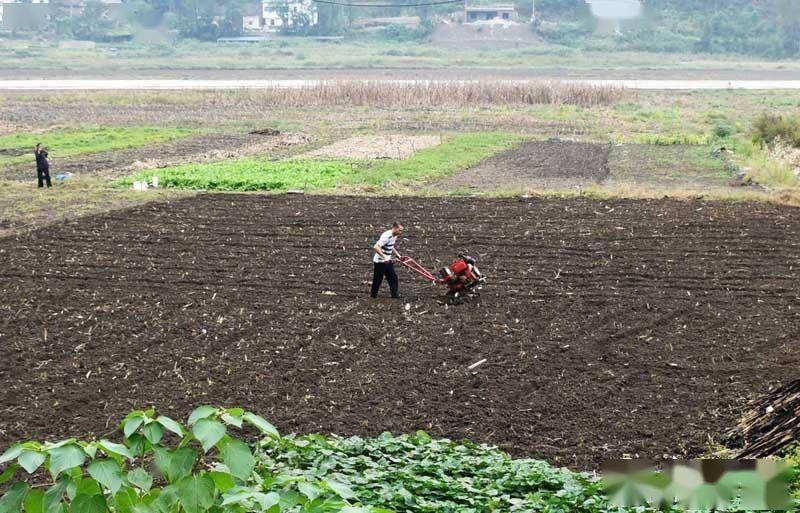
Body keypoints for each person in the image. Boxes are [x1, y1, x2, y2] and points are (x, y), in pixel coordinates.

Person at [371, 222, 404, 299]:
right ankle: (373, 297)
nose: (400, 232)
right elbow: (376, 247)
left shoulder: (394, 236)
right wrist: (384, 257)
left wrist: (398, 255)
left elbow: (391, 246)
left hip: (387, 261)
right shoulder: (386, 236)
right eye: (400, 230)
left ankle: (395, 296)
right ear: (395, 228)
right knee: (378, 280)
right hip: (380, 262)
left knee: (393, 277)